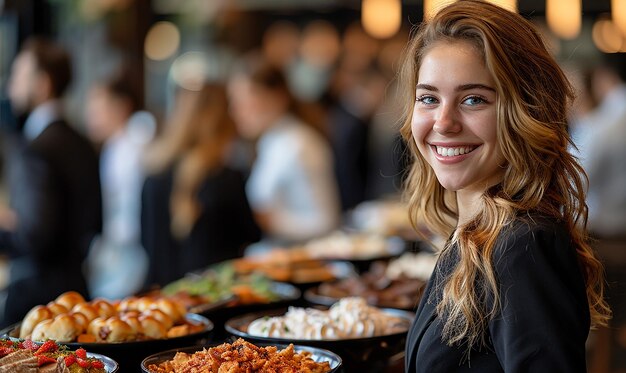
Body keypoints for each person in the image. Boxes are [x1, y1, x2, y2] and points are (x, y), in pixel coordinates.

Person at [399, 1, 610, 371]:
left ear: (524, 111)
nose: (444, 122)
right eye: (429, 98)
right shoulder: (475, 232)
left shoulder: (522, 245)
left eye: (473, 99)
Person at [0, 37, 102, 326]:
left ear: (43, 83)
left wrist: (5, 225)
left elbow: (35, 236)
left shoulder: (36, 148)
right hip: (78, 294)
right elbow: (95, 220)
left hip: (37, 307)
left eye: (19, 75)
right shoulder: (84, 142)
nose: (11, 84)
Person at [141, 83, 261, 288]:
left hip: (166, 298)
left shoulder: (154, 177)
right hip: (218, 296)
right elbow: (251, 235)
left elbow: (148, 246)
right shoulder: (227, 179)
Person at [228, 58, 340, 246]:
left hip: (300, 262)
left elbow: (326, 221)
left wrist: (268, 220)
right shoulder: (270, 141)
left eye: (246, 100)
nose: (236, 110)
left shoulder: (299, 144)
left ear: (277, 97)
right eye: (234, 101)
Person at [84, 73, 154, 299]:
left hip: (130, 250)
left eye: (98, 108)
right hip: (119, 249)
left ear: (121, 106)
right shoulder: (114, 147)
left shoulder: (132, 148)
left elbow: (131, 207)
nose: (91, 115)